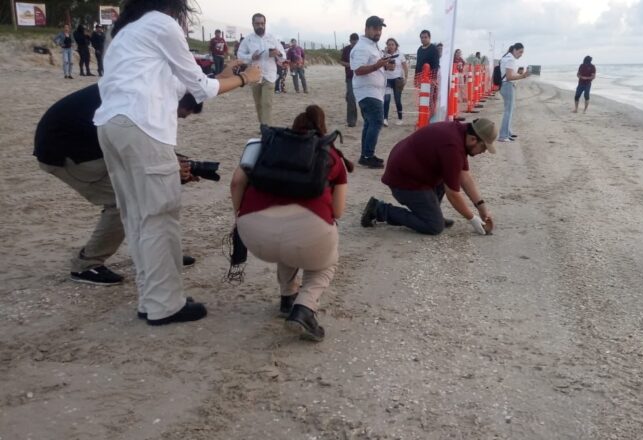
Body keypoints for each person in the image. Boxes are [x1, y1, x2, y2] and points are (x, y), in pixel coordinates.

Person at [93, 0, 263, 326]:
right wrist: (245, 80)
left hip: (111, 127)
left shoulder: (121, 30)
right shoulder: (162, 23)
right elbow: (201, 88)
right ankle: (164, 305)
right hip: (143, 126)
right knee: (160, 215)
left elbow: (175, 85)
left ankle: (151, 299)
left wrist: (221, 75)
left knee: (137, 217)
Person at [35, 84, 205, 285]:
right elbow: (135, 148)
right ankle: (86, 265)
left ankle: (155, 254)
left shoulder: (145, 90)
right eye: (180, 114)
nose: (175, 119)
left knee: (146, 189)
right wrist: (168, 167)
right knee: (124, 201)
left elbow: (142, 145)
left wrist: (173, 165)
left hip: (87, 146)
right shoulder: (146, 101)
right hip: (67, 153)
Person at [230, 105, 351, 341]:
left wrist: (239, 216)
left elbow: (236, 182)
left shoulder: (264, 145)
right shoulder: (331, 155)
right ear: (321, 130)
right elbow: (338, 211)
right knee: (324, 263)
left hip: (254, 232)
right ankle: (304, 308)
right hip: (308, 233)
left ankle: (287, 297)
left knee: (287, 245)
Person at [361, 118, 498, 236]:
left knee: (449, 175)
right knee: (434, 227)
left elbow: (464, 176)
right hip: (403, 180)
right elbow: (453, 194)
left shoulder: (460, 134)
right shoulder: (452, 147)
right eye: (483, 147)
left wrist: (482, 208)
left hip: (414, 171)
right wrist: (472, 218)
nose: (484, 151)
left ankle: (431, 213)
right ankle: (379, 209)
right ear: (473, 139)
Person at [350, 15, 392, 169]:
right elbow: (358, 70)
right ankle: (368, 155)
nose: (378, 32)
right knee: (376, 121)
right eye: (375, 29)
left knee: (370, 123)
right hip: (368, 91)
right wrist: (377, 66)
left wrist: (385, 65)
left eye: (380, 29)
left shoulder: (372, 45)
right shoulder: (362, 47)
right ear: (366, 29)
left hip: (373, 91)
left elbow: (373, 64)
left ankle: (365, 155)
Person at [237, 13, 283, 127]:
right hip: (254, 76)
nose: (260, 26)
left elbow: (283, 55)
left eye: (262, 23)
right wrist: (251, 57)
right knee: (258, 104)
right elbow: (240, 55)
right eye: (257, 24)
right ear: (253, 24)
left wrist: (277, 53)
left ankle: (267, 129)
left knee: (267, 103)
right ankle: (263, 126)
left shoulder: (272, 38)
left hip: (270, 75)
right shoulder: (248, 40)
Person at [497, 43, 528, 142]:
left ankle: (508, 132)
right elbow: (509, 77)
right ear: (514, 50)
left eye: (522, 53)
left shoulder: (506, 57)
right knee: (508, 111)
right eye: (520, 52)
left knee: (509, 110)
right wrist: (523, 76)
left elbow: (508, 75)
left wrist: (519, 74)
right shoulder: (510, 59)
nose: (521, 54)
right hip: (508, 85)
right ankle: (503, 135)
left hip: (504, 85)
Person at [383, 37, 408, 127]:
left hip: (397, 80)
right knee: (386, 99)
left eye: (392, 44)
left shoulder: (400, 55)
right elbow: (381, 65)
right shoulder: (384, 54)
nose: (391, 46)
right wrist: (385, 54)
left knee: (397, 100)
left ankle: (400, 118)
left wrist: (406, 77)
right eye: (389, 44)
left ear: (396, 45)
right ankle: (385, 118)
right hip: (387, 80)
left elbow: (405, 66)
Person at [415, 30, 440, 114]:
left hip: (431, 78)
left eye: (425, 37)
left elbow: (436, 64)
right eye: (422, 37)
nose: (423, 39)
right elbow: (418, 64)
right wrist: (416, 78)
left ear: (429, 38)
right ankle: (425, 114)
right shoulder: (419, 49)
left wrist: (433, 79)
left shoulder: (433, 49)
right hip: (421, 77)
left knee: (431, 98)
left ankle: (432, 116)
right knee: (423, 98)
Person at [338, 33, 359, 127]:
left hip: (361, 77)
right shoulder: (346, 49)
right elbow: (341, 61)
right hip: (350, 77)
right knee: (351, 98)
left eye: (356, 43)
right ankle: (351, 121)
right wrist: (350, 65)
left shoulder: (361, 49)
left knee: (358, 98)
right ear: (350, 41)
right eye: (352, 42)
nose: (354, 44)